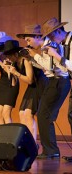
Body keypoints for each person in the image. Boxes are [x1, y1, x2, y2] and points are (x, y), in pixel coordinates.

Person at [39, 17, 72, 160]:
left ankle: (51, 150)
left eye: (52, 35)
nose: (51, 39)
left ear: (58, 31)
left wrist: (56, 56)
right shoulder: (64, 44)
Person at [16, 24, 48, 142]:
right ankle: (26, 142)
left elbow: (46, 68)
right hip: (33, 85)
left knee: (29, 113)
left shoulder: (43, 49)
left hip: (41, 83)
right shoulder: (30, 53)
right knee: (22, 113)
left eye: (29, 40)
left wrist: (31, 59)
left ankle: (32, 143)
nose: (28, 43)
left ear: (37, 37)